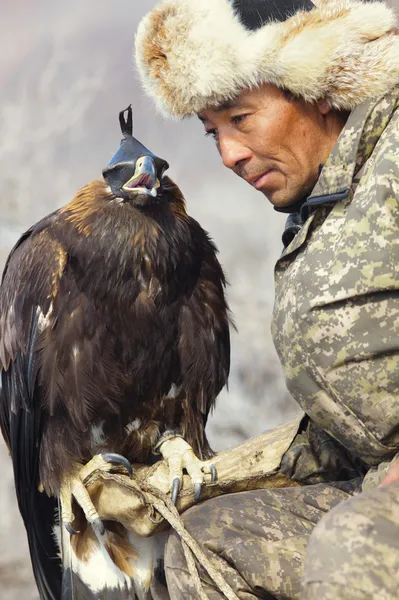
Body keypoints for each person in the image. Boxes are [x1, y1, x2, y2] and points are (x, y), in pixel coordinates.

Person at [134, 0, 399, 598]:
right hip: (375, 484)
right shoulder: (325, 204)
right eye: (213, 133)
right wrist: (200, 482)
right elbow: (350, 432)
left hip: (374, 516)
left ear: (319, 88)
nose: (229, 155)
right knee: (207, 542)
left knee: (352, 543)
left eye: (242, 118)